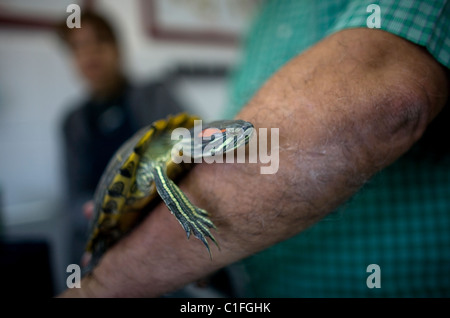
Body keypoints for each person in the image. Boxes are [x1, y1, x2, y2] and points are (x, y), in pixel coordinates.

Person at [60, 0, 449, 297]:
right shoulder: (263, 17)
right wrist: (176, 253)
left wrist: (103, 285)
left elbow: (394, 99)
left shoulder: (159, 101)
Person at [59, 10, 183, 264]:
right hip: (109, 243)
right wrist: (97, 218)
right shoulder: (72, 123)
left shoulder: (156, 96)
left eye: (99, 41)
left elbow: (192, 150)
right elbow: (74, 196)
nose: (90, 53)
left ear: (117, 47)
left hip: (165, 230)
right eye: (78, 47)